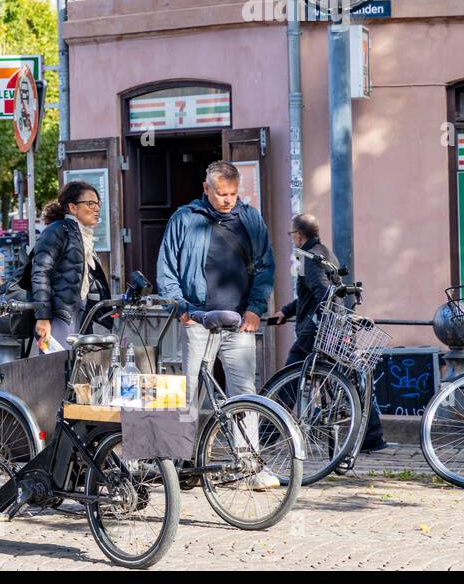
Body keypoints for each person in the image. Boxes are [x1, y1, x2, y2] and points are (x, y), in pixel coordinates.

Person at [156, 160, 277, 486]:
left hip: (239, 322)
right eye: (221, 193)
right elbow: (167, 267)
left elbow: (265, 266)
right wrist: (181, 308)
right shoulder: (185, 218)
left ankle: (249, 466)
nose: (227, 200)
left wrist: (256, 309)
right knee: (189, 392)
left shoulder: (250, 218)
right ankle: (180, 466)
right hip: (197, 320)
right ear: (205, 188)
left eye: (233, 194)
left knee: (244, 394)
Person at [272, 214, 389, 452]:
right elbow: (308, 295)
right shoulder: (326, 253)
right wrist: (286, 311)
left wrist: (323, 322)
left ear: (298, 235)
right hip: (333, 328)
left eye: (292, 235)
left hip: (315, 332)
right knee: (350, 381)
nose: (292, 239)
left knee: (289, 381)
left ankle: (265, 436)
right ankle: (372, 437)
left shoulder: (309, 258)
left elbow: (322, 292)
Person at [30, 183, 110, 354]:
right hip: (60, 316)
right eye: (90, 203)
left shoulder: (84, 236)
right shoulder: (57, 230)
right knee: (57, 365)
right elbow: (40, 273)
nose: (97, 208)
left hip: (81, 313)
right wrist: (42, 317)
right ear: (73, 207)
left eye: (98, 203)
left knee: (80, 366)